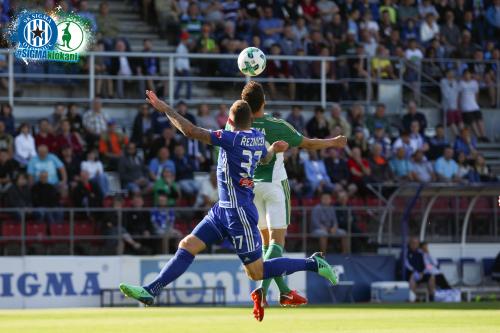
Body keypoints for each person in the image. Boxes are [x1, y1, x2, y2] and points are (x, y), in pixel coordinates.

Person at [119, 92, 338, 323]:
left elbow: (190, 131)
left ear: (231, 122)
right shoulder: (255, 136)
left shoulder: (230, 138)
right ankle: (151, 290)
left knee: (256, 272)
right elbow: (264, 159)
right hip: (223, 208)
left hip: (239, 212)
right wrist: (273, 149)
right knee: (188, 244)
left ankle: (313, 263)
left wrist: (165, 109)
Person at [235, 81, 346, 307]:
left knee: (267, 247)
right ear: (264, 101)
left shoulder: (237, 127)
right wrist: (334, 142)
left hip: (251, 189)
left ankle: (284, 291)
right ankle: (262, 290)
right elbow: (308, 144)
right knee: (277, 243)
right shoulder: (277, 125)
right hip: (275, 186)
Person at [403, 237, 436, 301]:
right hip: (412, 273)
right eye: (413, 243)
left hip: (422, 273)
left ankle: (432, 298)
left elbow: (432, 264)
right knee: (412, 277)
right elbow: (406, 264)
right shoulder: (406, 252)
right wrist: (415, 272)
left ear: (418, 245)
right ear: (410, 244)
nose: (414, 245)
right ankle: (414, 299)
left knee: (432, 277)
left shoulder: (422, 253)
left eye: (416, 243)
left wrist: (423, 272)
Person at [459, 70, 488, 142]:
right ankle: (478, 137)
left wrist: (476, 103)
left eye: (468, 74)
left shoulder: (474, 83)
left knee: (480, 120)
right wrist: (458, 106)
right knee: (472, 122)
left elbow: (476, 94)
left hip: (474, 105)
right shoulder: (461, 83)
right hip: (465, 107)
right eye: (465, 74)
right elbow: (459, 95)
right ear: (463, 76)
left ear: (470, 75)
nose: (467, 76)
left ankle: (483, 136)